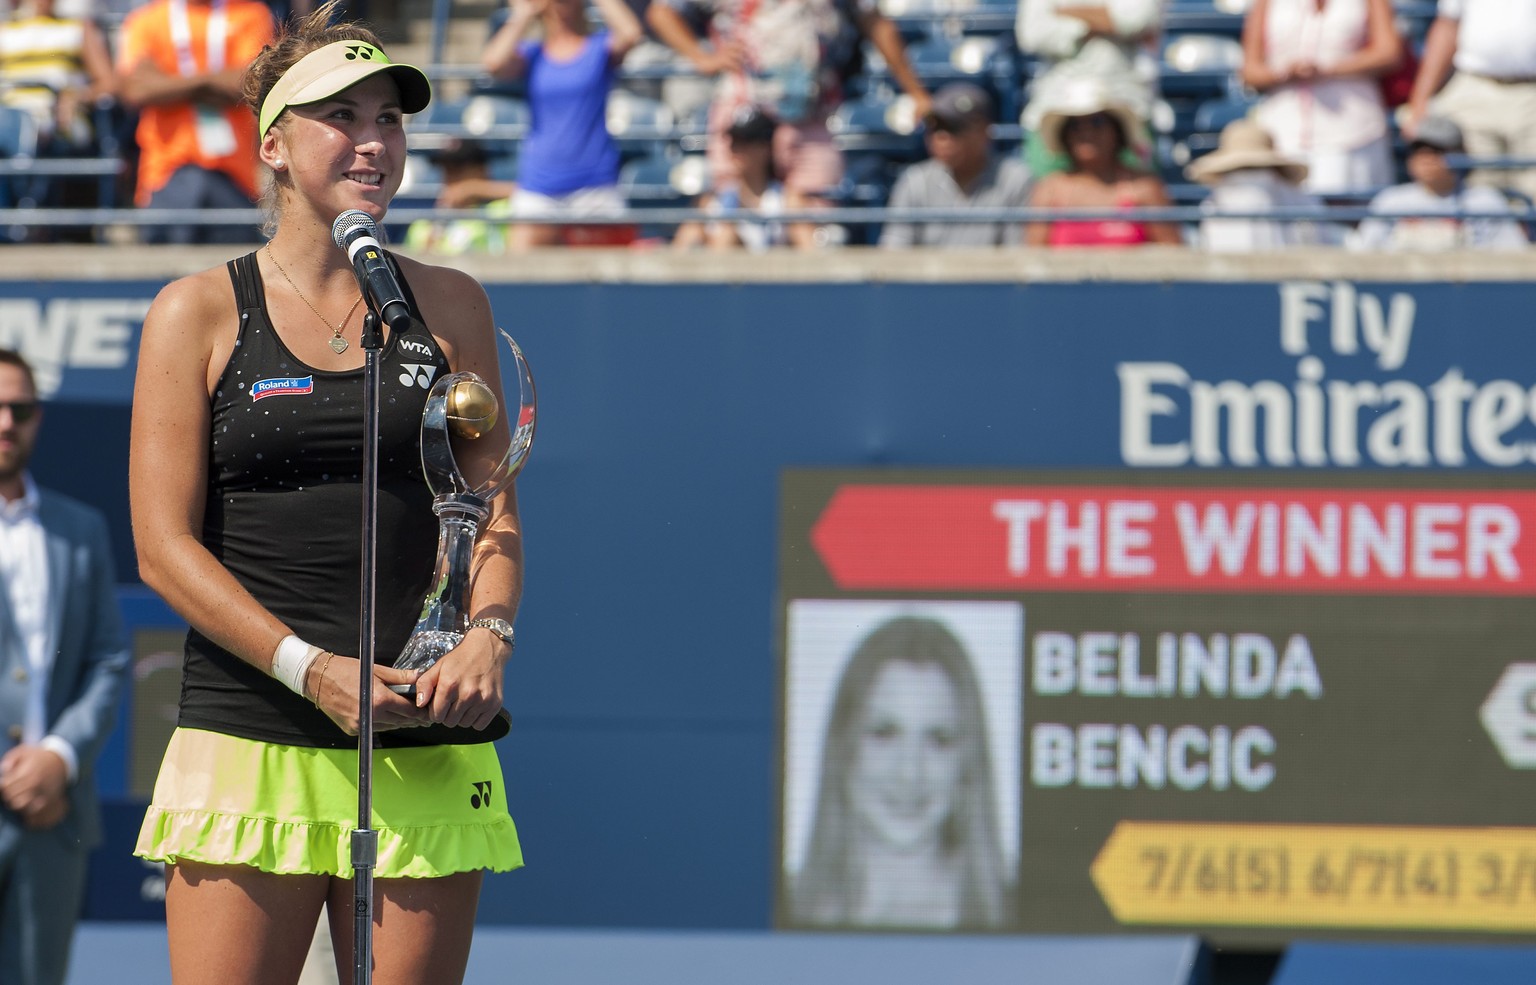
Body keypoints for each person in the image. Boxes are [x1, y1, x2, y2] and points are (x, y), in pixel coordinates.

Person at [128, 6, 525, 984]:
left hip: (422, 733)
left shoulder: (453, 303)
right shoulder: (195, 311)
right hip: (249, 731)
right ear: (272, 143)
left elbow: (491, 509)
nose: (374, 140)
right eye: (341, 116)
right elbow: (162, 547)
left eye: (389, 117)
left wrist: (489, 635)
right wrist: (310, 667)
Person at [0, 347, 131, 985]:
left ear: (37, 419)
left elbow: (109, 659)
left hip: (50, 818)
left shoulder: (80, 529)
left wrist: (57, 756)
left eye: (18, 408)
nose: (4, 422)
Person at [647, 0, 932, 245]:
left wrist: (916, 92)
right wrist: (702, 57)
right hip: (742, 113)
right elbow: (661, 11)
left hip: (813, 116)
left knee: (815, 223)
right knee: (727, 217)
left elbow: (875, 22)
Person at [791, 615, 1011, 930]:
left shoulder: (1021, 913)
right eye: (884, 733)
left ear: (966, 765)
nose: (909, 773)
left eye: (939, 740)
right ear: (844, 748)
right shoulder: (785, 908)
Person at [481, 0, 644, 250]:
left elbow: (631, 33)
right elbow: (492, 63)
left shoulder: (598, 48)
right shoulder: (533, 54)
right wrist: (523, 13)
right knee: (517, 275)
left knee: (612, 280)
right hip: (539, 185)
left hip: (595, 185)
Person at [116, 0, 277, 243]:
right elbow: (137, 89)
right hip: (164, 174)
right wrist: (208, 84)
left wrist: (170, 83)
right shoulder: (147, 19)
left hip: (234, 176)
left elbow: (252, 82)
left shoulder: (251, 14)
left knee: (234, 276)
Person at [1240, 0, 1402, 196]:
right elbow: (1250, 71)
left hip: (1354, 132)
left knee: (1348, 215)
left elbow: (1389, 53)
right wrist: (1285, 73)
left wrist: (1328, 69)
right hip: (1283, 133)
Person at [1402, 0, 1536, 203]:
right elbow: (1447, 27)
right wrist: (1419, 100)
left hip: (1530, 92)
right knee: (1480, 194)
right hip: (1475, 86)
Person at [1025, 78, 1181, 247]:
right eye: (1075, 125)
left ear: (1116, 130)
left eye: (1097, 122)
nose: (1086, 132)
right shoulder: (1049, 190)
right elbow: (1035, 257)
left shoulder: (1145, 188)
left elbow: (1172, 252)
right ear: (1065, 134)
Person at [1014, 0, 1162, 175]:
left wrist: (1065, 13)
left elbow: (1138, 20)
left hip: (1128, 102)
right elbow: (1032, 35)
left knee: (1141, 188)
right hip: (1053, 102)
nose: (1086, 132)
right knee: (1048, 192)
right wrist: (1106, 21)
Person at [880, 82, 1032, 249]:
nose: (943, 137)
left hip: (992, 275)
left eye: (954, 127)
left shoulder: (1014, 179)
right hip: (927, 274)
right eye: (935, 127)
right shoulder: (915, 180)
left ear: (984, 132)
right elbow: (895, 253)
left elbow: (1016, 257)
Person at [1353, 115, 1527, 252]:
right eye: (1418, 150)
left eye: (1437, 151)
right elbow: (1365, 257)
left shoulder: (1485, 201)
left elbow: (1510, 257)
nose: (1427, 158)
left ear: (1460, 154)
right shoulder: (1390, 201)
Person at [1186, 116, 1343, 251]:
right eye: (1241, 170)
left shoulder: (1305, 204)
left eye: (1256, 169)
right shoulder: (1212, 206)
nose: (1251, 179)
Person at [672, 103, 794, 250]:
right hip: (720, 270)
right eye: (733, 142)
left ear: (765, 148)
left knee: (727, 236)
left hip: (772, 270)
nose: (735, 150)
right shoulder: (710, 202)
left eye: (745, 142)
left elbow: (809, 253)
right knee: (725, 235)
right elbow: (679, 251)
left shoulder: (788, 200)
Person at [0, 0, 117, 153]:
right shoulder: (5, 30)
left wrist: (79, 97)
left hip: (59, 121)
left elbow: (110, 83)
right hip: (11, 117)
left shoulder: (76, 28)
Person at [402, 137, 516, 256]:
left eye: (458, 170)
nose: (450, 177)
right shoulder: (423, 224)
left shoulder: (501, 209)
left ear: (482, 170)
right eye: (446, 170)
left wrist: (474, 188)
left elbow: (531, 196)